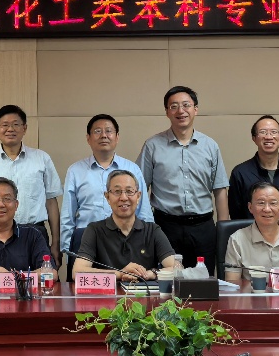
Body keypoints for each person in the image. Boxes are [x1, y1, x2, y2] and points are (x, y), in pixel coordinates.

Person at [138, 86, 228, 269]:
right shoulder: (152, 146)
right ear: (167, 112)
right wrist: (144, 227)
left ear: (196, 109)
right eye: (174, 106)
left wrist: (223, 230)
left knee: (203, 281)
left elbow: (220, 190)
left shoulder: (210, 146)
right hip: (165, 227)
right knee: (166, 279)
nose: (181, 111)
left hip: (203, 228)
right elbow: (139, 189)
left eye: (186, 105)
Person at [0, 105, 63, 259]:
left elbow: (51, 202)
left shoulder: (42, 159)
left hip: (34, 234)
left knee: (38, 274)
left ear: (24, 128)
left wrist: (56, 244)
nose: (10, 129)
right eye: (5, 125)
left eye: (16, 124)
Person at [61, 114, 153, 257]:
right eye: (97, 131)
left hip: (126, 241)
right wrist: (68, 251)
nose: (104, 135)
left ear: (117, 137)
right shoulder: (75, 171)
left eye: (109, 131)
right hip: (86, 242)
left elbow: (144, 212)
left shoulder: (132, 169)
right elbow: (68, 216)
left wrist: (148, 246)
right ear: (88, 138)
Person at [72, 170, 178, 282]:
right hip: (108, 293)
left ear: (138, 196)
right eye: (117, 191)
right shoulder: (94, 230)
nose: (123, 197)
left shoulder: (152, 231)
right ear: (107, 197)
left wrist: (151, 274)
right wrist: (120, 273)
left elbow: (177, 268)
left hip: (144, 292)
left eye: (129, 191)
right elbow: (77, 272)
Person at [224, 182, 279, 284]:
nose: (267, 209)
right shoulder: (237, 239)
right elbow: (233, 285)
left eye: (273, 203)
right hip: (253, 294)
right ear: (250, 207)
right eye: (261, 203)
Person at [227, 115, 279, 226]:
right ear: (254, 138)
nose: (269, 137)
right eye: (263, 132)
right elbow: (236, 214)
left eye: (274, 132)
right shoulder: (240, 173)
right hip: (251, 236)